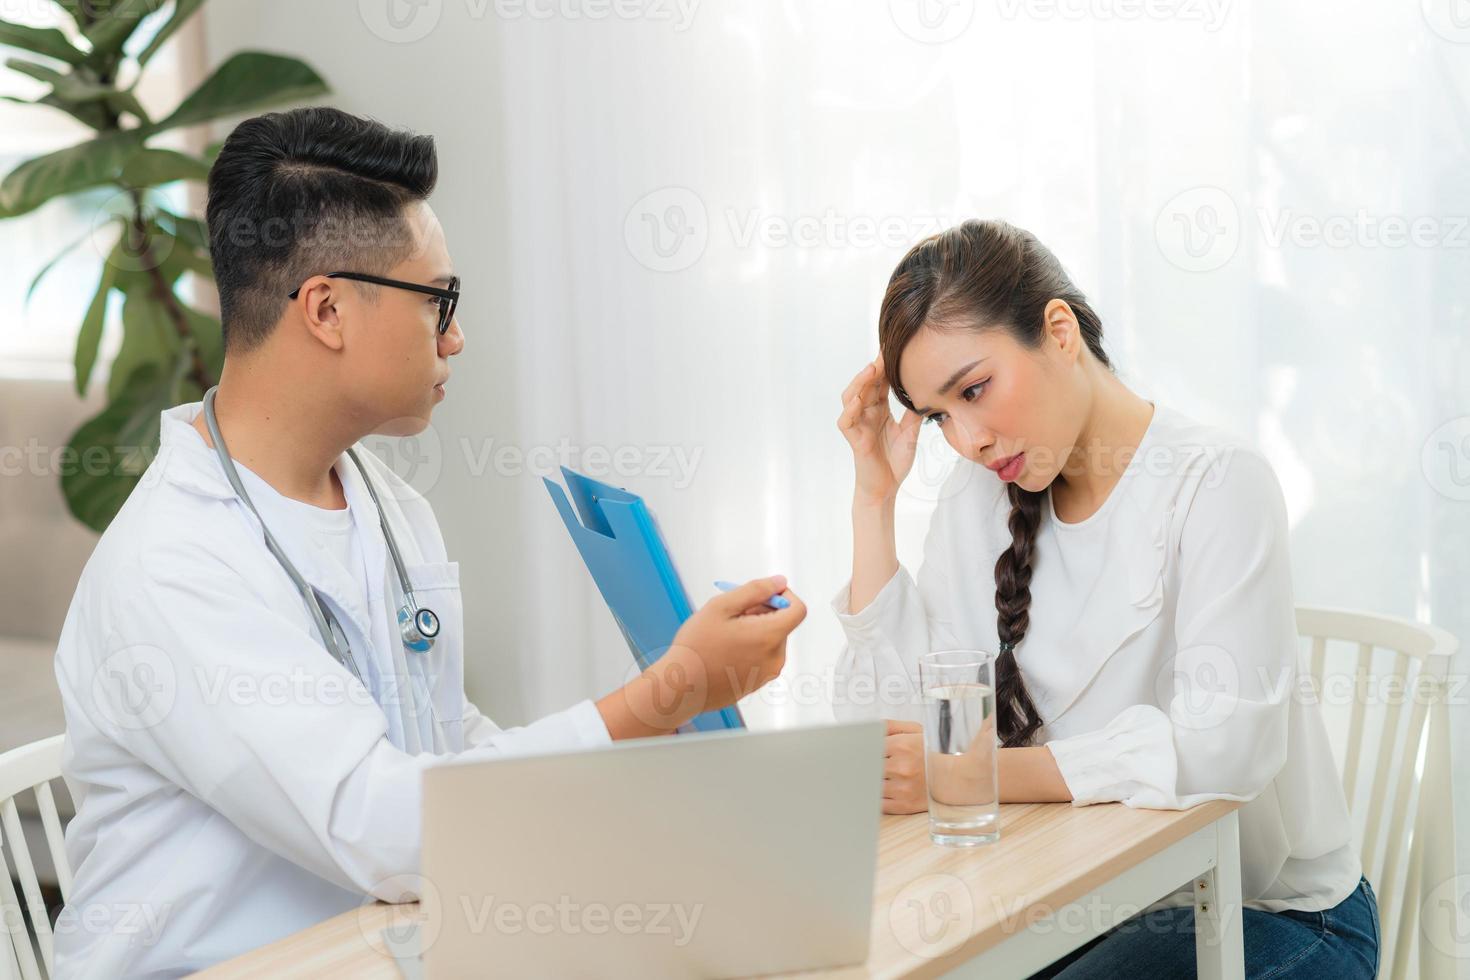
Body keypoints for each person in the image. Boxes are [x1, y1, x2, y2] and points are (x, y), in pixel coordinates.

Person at [51, 106, 806, 978]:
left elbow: (447, 760)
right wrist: (660, 697)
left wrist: (661, 724)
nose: (456, 338)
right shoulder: (173, 564)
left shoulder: (388, 506)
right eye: (438, 301)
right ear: (327, 309)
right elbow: (383, 831)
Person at [832, 219, 1378, 977]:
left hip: (1270, 919)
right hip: (1095, 902)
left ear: (1058, 331)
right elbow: (903, 740)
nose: (967, 439)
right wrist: (873, 501)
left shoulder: (1217, 481)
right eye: (938, 418)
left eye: (975, 390)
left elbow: (1227, 748)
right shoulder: (978, 502)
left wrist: (977, 776)